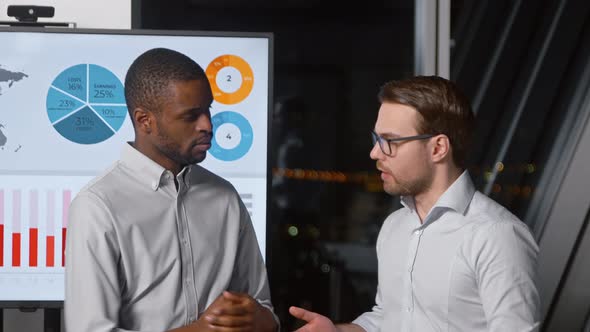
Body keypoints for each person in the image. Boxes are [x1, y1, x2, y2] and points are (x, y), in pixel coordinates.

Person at [289, 75, 540, 331]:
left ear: (438, 148)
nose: (375, 153)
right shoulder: (394, 226)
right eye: (376, 139)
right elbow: (388, 317)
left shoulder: (496, 234)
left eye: (390, 141)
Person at [64, 48, 278, 332]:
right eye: (191, 116)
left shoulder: (225, 197)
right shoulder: (97, 206)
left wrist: (267, 322)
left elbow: (261, 308)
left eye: (208, 110)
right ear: (145, 121)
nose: (207, 126)